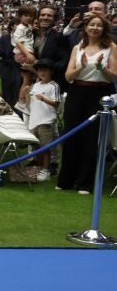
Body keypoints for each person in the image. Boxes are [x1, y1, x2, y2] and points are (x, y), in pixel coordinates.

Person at [58, 15, 117, 194]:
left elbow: (113, 76)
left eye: (99, 25)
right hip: (77, 92)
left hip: (99, 93)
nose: (95, 28)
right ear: (86, 27)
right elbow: (68, 76)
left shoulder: (111, 47)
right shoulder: (78, 47)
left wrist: (101, 68)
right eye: (92, 25)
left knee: (92, 137)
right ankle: (66, 180)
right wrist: (81, 67)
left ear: (103, 28)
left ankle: (85, 182)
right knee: (71, 134)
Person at [27, 60, 60, 183]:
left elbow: (56, 103)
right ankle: (40, 168)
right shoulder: (35, 85)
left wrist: (44, 99)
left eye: (45, 70)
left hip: (46, 121)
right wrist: (26, 93)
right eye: (40, 70)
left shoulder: (54, 86)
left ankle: (46, 170)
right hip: (34, 120)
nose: (42, 72)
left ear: (51, 72)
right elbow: (30, 101)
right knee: (36, 147)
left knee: (45, 147)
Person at [12, 5, 36, 113]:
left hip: (27, 53)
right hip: (25, 54)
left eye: (31, 16)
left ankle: (23, 101)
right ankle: (21, 102)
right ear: (20, 17)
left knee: (28, 79)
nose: (29, 18)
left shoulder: (27, 27)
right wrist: (28, 55)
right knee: (27, 80)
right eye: (26, 15)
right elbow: (19, 43)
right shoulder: (20, 27)